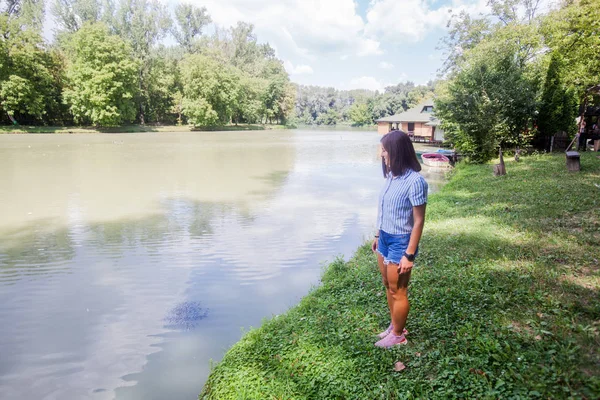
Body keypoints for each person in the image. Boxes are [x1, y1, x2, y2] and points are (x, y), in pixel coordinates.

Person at [371, 130, 428, 348]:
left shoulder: (415, 182)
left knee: (398, 290)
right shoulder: (390, 178)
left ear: (396, 151)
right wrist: (377, 234)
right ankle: (395, 325)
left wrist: (409, 254)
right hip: (384, 237)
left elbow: (419, 221)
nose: (382, 155)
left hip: (401, 241)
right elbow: (383, 209)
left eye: (384, 150)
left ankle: (398, 335)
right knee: (387, 285)